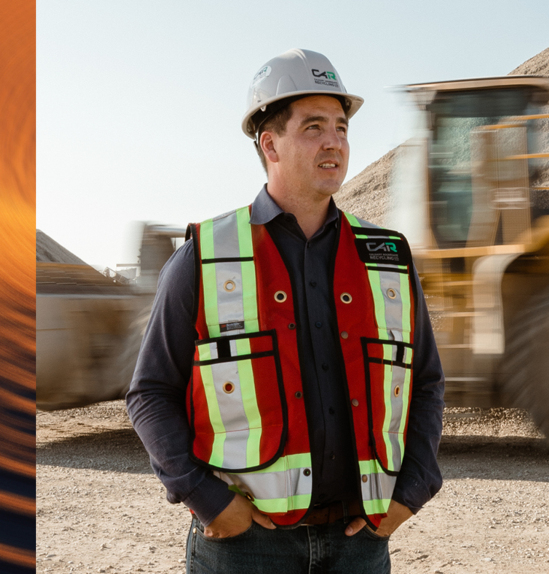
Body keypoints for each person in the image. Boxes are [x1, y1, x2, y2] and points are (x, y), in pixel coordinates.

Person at [126, 48, 444, 574]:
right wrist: (207, 499)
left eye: (341, 128)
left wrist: (412, 491)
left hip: (359, 542)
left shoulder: (385, 256)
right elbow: (151, 391)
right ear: (269, 144)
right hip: (246, 547)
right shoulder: (205, 257)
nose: (334, 142)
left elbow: (425, 381)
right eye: (314, 127)